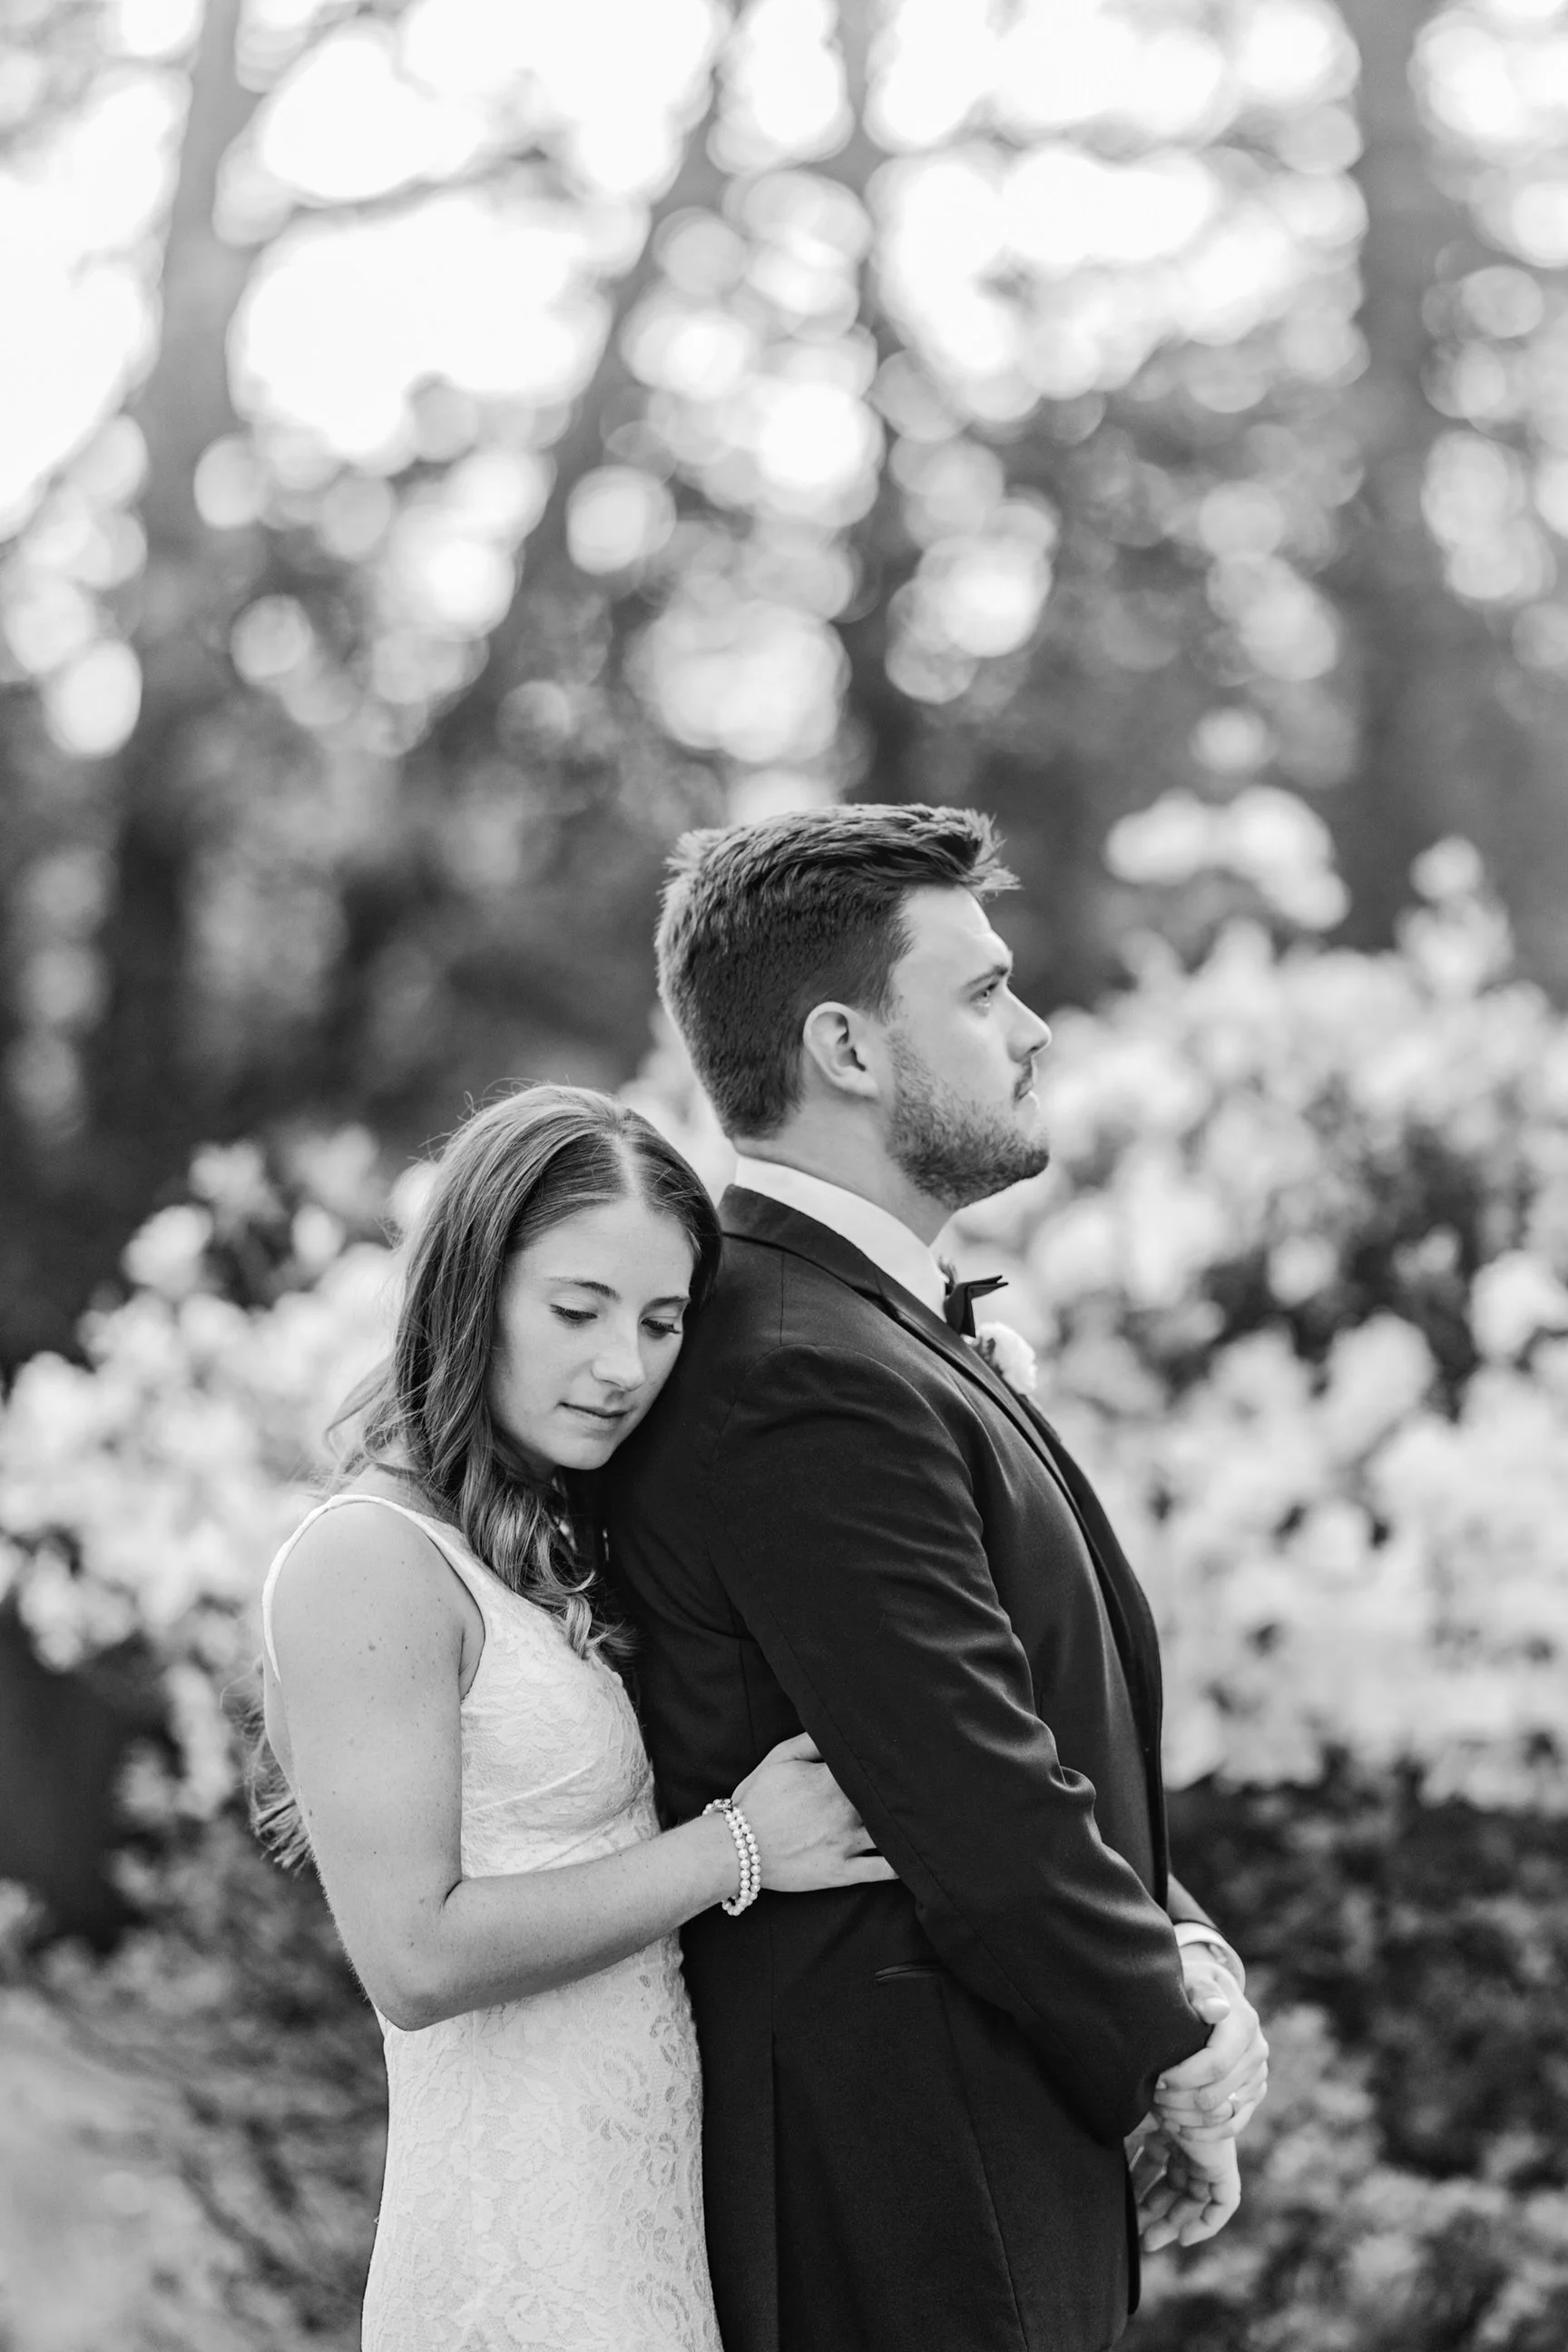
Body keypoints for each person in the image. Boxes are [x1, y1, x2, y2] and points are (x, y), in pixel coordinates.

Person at [599, 804, 1269, 2352]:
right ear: (845, 1046)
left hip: (986, 2135)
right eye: (980, 993)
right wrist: (1176, 2051)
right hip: (912, 2183)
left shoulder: (860, 1333)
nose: (1032, 1032)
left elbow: (1030, 1731)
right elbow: (970, 1789)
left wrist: (1189, 1957)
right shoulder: (791, 1368)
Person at [252, 1085, 894, 2352]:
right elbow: (415, 1957)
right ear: (469, 1291)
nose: (623, 1368)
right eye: (576, 1310)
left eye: (662, 1323)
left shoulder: (552, 1533)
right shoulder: (368, 1562)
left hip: (641, 2203)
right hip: (516, 2237)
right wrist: (735, 1848)